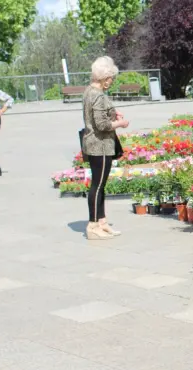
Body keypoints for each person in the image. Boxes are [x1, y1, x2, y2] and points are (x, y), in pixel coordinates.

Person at [82, 56, 129, 240]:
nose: (112, 81)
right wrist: (120, 123)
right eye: (111, 78)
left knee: (100, 185)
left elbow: (96, 114)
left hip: (93, 143)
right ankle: (93, 225)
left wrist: (113, 112)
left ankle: (101, 221)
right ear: (104, 77)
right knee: (98, 185)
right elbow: (102, 125)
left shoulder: (89, 91)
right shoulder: (98, 96)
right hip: (100, 145)